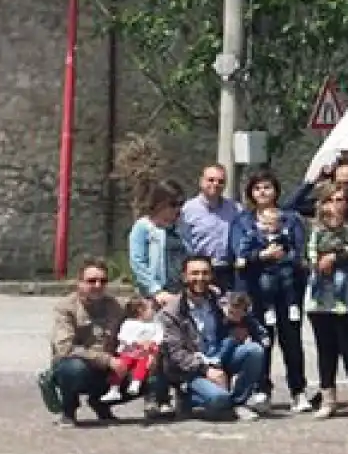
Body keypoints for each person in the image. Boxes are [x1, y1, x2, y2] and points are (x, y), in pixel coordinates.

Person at [156, 256, 271, 421]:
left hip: (220, 358)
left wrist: (239, 329)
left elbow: (243, 314)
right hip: (191, 370)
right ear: (184, 277)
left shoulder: (220, 300)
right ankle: (189, 398)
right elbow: (176, 354)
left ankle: (238, 402)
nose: (200, 278)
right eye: (194, 273)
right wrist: (206, 370)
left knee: (254, 351)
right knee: (219, 399)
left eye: (205, 273)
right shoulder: (170, 313)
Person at [230, 168, 307, 413]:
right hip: (256, 291)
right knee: (263, 339)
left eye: (267, 187)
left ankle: (298, 390)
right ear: (251, 193)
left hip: (287, 290)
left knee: (291, 341)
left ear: (276, 191)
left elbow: (300, 251)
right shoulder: (242, 220)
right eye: (258, 188)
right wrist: (261, 256)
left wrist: (285, 257)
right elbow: (237, 254)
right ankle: (262, 389)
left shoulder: (291, 219)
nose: (263, 192)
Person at [304, 185, 348, 421]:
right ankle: (327, 399)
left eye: (341, 199)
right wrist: (316, 261)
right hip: (321, 298)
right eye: (329, 199)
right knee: (326, 350)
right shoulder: (314, 228)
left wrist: (335, 257)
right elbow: (305, 256)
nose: (335, 204)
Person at [37, 259, 130, 426]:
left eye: (102, 281)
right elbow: (65, 348)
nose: (97, 285)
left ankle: (101, 403)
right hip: (77, 365)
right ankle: (68, 411)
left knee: (145, 373)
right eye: (91, 281)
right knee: (73, 369)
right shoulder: (65, 308)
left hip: (108, 369)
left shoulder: (116, 306)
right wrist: (106, 360)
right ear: (79, 283)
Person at [178, 164, 241, 291]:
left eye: (221, 181)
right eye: (211, 180)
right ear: (201, 181)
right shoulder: (187, 210)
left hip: (228, 271)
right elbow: (184, 242)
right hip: (200, 273)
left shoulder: (236, 209)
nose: (216, 184)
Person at [128, 182, 186, 309]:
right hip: (153, 296)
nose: (177, 209)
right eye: (173, 204)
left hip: (179, 292)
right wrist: (156, 290)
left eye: (181, 204)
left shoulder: (182, 227)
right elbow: (137, 263)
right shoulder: (143, 227)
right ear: (160, 204)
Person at [103, 295, 160, 403]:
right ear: (140, 310)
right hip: (128, 352)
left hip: (145, 353)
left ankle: (136, 382)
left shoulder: (155, 325)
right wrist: (135, 342)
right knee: (121, 366)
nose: (154, 312)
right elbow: (122, 336)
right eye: (151, 309)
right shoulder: (129, 323)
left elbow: (159, 336)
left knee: (143, 364)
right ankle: (114, 389)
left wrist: (153, 343)